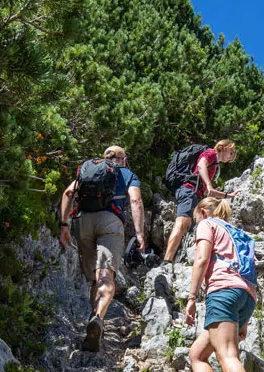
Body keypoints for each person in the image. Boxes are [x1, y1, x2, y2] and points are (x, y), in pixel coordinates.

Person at [186, 197, 264, 372]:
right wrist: (244, 320)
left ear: (201, 211)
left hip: (222, 291)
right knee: (197, 354)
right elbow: (249, 269)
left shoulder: (206, 224)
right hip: (246, 295)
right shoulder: (236, 232)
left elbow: (201, 259)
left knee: (227, 354)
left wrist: (191, 296)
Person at [59, 145, 147, 351]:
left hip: (83, 222)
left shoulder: (89, 170)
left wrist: (64, 225)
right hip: (110, 223)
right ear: (123, 159)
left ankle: (93, 319)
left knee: (93, 279)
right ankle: (98, 317)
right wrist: (140, 233)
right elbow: (135, 199)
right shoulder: (126, 173)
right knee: (106, 277)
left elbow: (68, 192)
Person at [163, 140, 239, 265]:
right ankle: (167, 260)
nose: (232, 157)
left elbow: (210, 191)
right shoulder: (211, 153)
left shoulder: (214, 164)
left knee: (188, 225)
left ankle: (177, 259)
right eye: (231, 152)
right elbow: (201, 164)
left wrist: (227, 196)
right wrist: (209, 184)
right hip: (188, 190)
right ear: (224, 148)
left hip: (194, 194)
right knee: (183, 222)